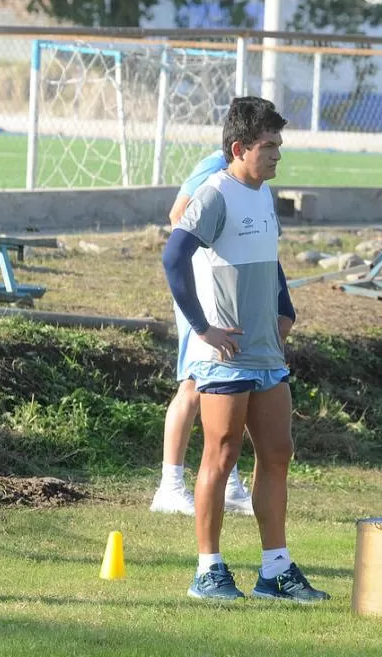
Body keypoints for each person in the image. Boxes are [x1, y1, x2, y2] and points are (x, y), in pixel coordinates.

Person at [162, 97, 328, 602]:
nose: (278, 155)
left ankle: (275, 571)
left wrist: (286, 309)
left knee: (278, 452)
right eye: (269, 146)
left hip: (266, 355)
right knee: (222, 452)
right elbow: (173, 258)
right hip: (225, 355)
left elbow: (269, 260)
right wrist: (202, 329)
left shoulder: (263, 196)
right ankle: (208, 570)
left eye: (279, 145)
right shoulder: (214, 194)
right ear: (239, 148)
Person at [150, 148, 254, 517]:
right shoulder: (215, 164)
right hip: (203, 292)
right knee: (194, 384)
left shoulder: (248, 175)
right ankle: (170, 485)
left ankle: (230, 482)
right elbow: (179, 215)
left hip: (226, 291)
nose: (276, 149)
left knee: (231, 384)